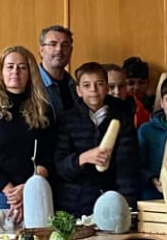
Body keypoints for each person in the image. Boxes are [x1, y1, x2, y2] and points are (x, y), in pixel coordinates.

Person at [0, 45, 54, 222]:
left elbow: (48, 157)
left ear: (30, 73)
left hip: (34, 192)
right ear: (0, 72)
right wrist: (11, 192)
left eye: (22, 67)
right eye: (10, 66)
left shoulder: (44, 110)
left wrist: (27, 189)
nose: (15, 72)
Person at [54, 62, 143, 216]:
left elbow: (127, 168)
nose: (93, 90)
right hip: (74, 204)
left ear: (107, 88)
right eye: (87, 85)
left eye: (99, 84)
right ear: (79, 91)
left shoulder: (122, 118)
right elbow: (60, 167)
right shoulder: (66, 120)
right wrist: (82, 158)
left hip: (110, 202)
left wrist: (127, 209)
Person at [38, 25, 76, 115]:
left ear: (71, 50)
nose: (59, 49)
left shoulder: (75, 86)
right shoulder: (29, 84)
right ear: (41, 50)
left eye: (65, 44)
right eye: (53, 44)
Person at [123, 56, 153, 122]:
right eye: (131, 83)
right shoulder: (120, 105)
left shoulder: (154, 103)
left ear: (148, 83)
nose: (137, 87)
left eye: (141, 83)